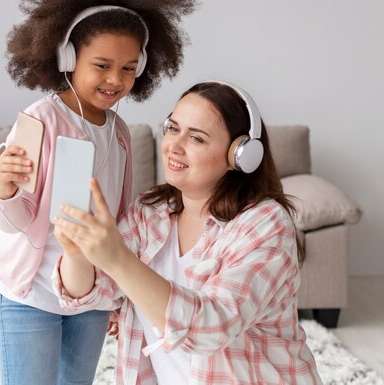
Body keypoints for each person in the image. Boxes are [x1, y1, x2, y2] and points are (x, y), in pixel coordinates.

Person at [0, 0, 197, 385]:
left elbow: (118, 221)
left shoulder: (118, 132)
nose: (116, 80)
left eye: (129, 69)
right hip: (31, 294)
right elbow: (12, 220)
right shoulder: (40, 121)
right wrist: (5, 188)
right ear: (68, 58)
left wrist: (117, 293)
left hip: (91, 296)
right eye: (101, 65)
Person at [52, 81, 323, 384]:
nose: (174, 145)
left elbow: (209, 328)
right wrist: (76, 253)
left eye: (196, 138)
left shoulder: (265, 225)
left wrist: (118, 259)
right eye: (173, 128)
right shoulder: (150, 210)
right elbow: (91, 293)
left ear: (240, 156)